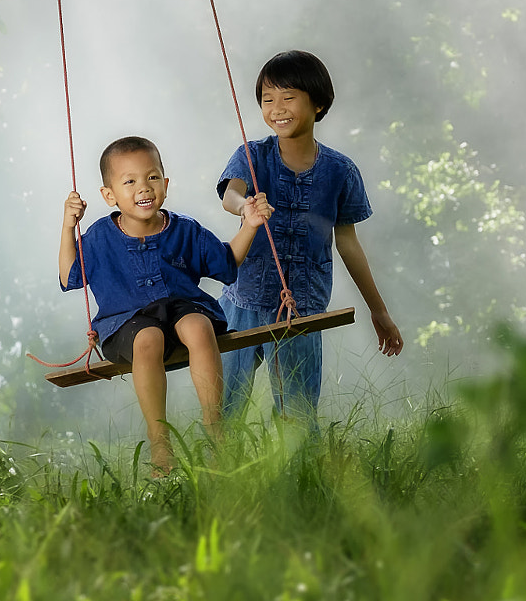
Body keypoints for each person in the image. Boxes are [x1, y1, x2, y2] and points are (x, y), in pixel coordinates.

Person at [60, 135, 273, 472]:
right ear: (109, 195)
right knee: (148, 338)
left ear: (166, 183)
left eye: (152, 177)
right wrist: (68, 225)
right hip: (125, 324)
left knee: (199, 325)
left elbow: (227, 263)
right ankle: (160, 441)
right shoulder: (100, 236)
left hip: (180, 312)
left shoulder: (185, 230)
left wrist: (250, 225)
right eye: (129, 181)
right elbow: (70, 275)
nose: (143, 188)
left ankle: (215, 427)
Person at [217, 50, 403, 422]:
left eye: (288, 97)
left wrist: (378, 310)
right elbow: (230, 194)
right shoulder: (252, 155)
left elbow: (348, 243)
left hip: (301, 304)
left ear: (318, 104)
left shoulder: (340, 171)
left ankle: (300, 476)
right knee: (225, 408)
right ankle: (214, 475)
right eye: (268, 99)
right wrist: (245, 208)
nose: (277, 108)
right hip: (243, 299)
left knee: (298, 413)